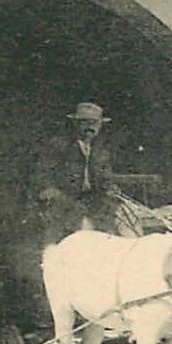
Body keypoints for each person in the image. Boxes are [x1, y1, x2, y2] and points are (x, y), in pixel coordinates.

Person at [34, 101, 117, 245]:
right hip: (64, 200)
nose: (90, 127)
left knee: (112, 232)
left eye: (94, 123)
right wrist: (53, 193)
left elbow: (106, 179)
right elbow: (42, 175)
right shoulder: (59, 146)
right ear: (75, 124)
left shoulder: (100, 151)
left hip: (93, 202)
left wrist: (110, 189)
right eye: (85, 123)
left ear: (100, 125)